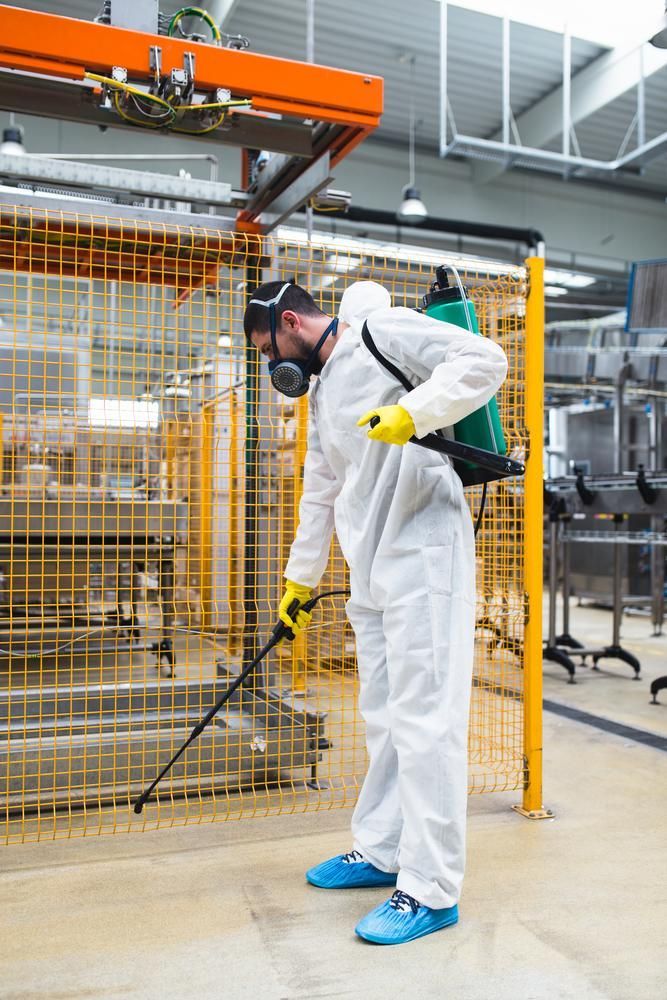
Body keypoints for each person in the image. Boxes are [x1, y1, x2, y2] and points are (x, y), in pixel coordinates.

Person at [243, 278, 508, 945]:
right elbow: (320, 489)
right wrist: (297, 581)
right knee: (384, 717)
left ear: (292, 322)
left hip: (424, 550)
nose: (269, 364)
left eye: (266, 347)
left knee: (425, 722)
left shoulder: (379, 333)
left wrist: (414, 413)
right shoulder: (324, 389)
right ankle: (381, 849)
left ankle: (430, 888)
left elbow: (484, 361)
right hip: (372, 566)